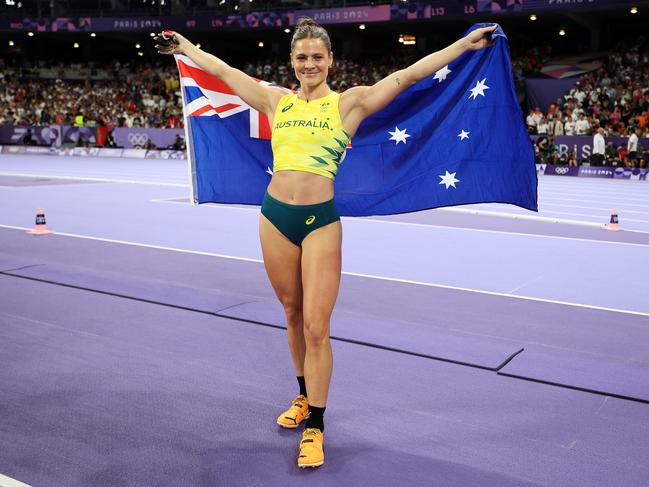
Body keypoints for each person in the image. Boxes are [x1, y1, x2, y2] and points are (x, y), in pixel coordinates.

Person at [155, 20, 497, 468]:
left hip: (319, 223)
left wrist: (463, 44)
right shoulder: (276, 101)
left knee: (317, 326)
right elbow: (223, 72)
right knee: (293, 314)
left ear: (330, 60)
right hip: (274, 217)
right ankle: (302, 396)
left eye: (317, 57)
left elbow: (409, 75)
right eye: (302, 58)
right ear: (292, 63)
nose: (310, 64)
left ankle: (315, 424)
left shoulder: (349, 103)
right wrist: (185, 46)